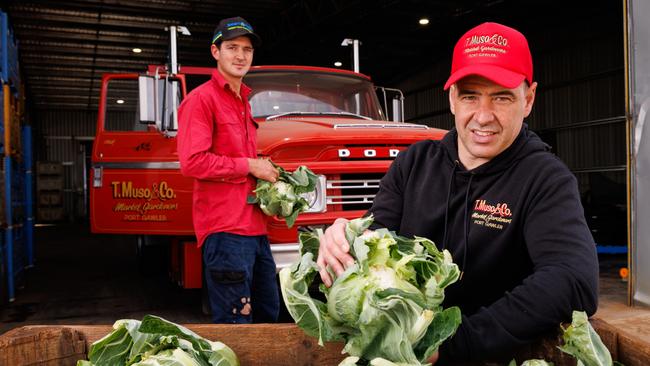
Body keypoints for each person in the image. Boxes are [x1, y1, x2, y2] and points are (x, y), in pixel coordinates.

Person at [317, 22, 598, 364]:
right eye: (470, 95)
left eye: (502, 97)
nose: (483, 116)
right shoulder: (412, 164)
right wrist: (345, 237)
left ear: (529, 99)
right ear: (452, 99)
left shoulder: (546, 180)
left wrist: (450, 344)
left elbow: (572, 279)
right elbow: (379, 238)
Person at [177, 16, 280, 324]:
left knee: (267, 317)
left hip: (255, 228)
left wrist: (267, 171)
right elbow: (192, 161)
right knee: (237, 326)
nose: (240, 55)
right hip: (225, 231)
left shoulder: (242, 101)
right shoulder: (201, 100)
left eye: (247, 49)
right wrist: (250, 165)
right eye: (232, 47)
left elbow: (239, 159)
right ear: (215, 52)